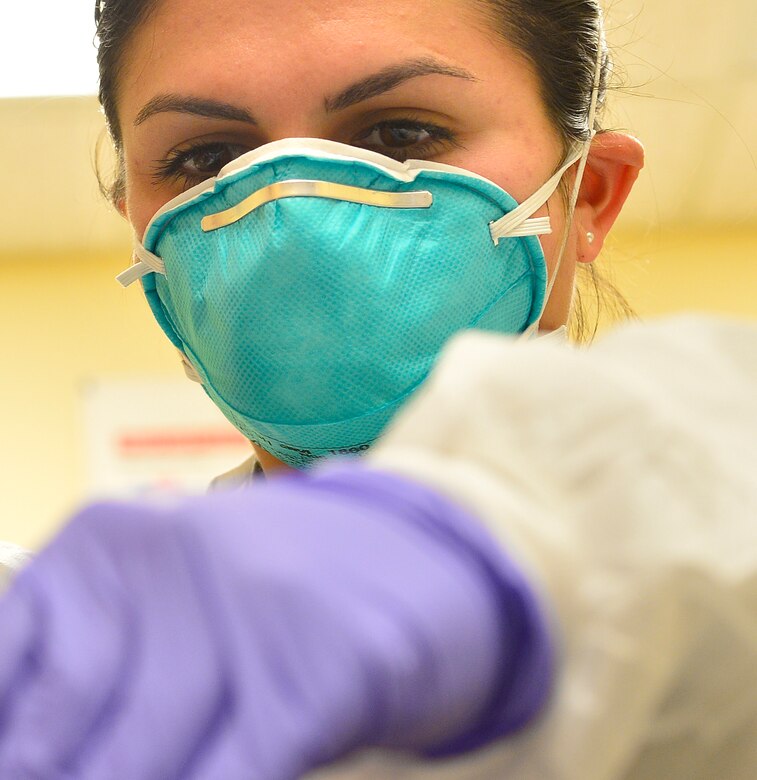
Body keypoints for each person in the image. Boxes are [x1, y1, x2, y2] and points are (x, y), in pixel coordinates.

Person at [1, 1, 755, 778]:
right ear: (140, 227)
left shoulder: (715, 530)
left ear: (587, 193)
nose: (288, 211)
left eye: (399, 133)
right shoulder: (93, 660)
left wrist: (487, 550)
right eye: (205, 157)